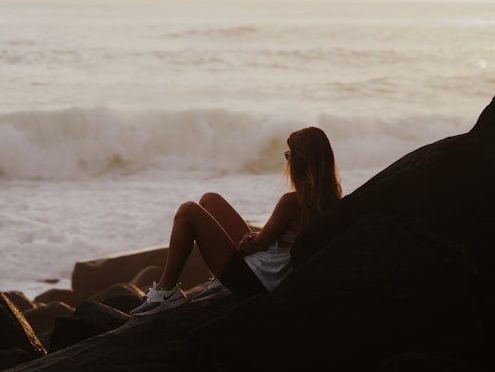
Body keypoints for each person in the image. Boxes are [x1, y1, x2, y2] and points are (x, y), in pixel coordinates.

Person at [131, 126, 343, 316]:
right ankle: (215, 286)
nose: (287, 162)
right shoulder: (333, 203)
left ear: (300, 161)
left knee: (188, 211)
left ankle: (167, 292)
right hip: (268, 274)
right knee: (209, 199)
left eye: (290, 156)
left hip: (252, 279)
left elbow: (260, 245)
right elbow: (277, 242)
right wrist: (255, 239)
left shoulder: (292, 202)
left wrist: (249, 243)